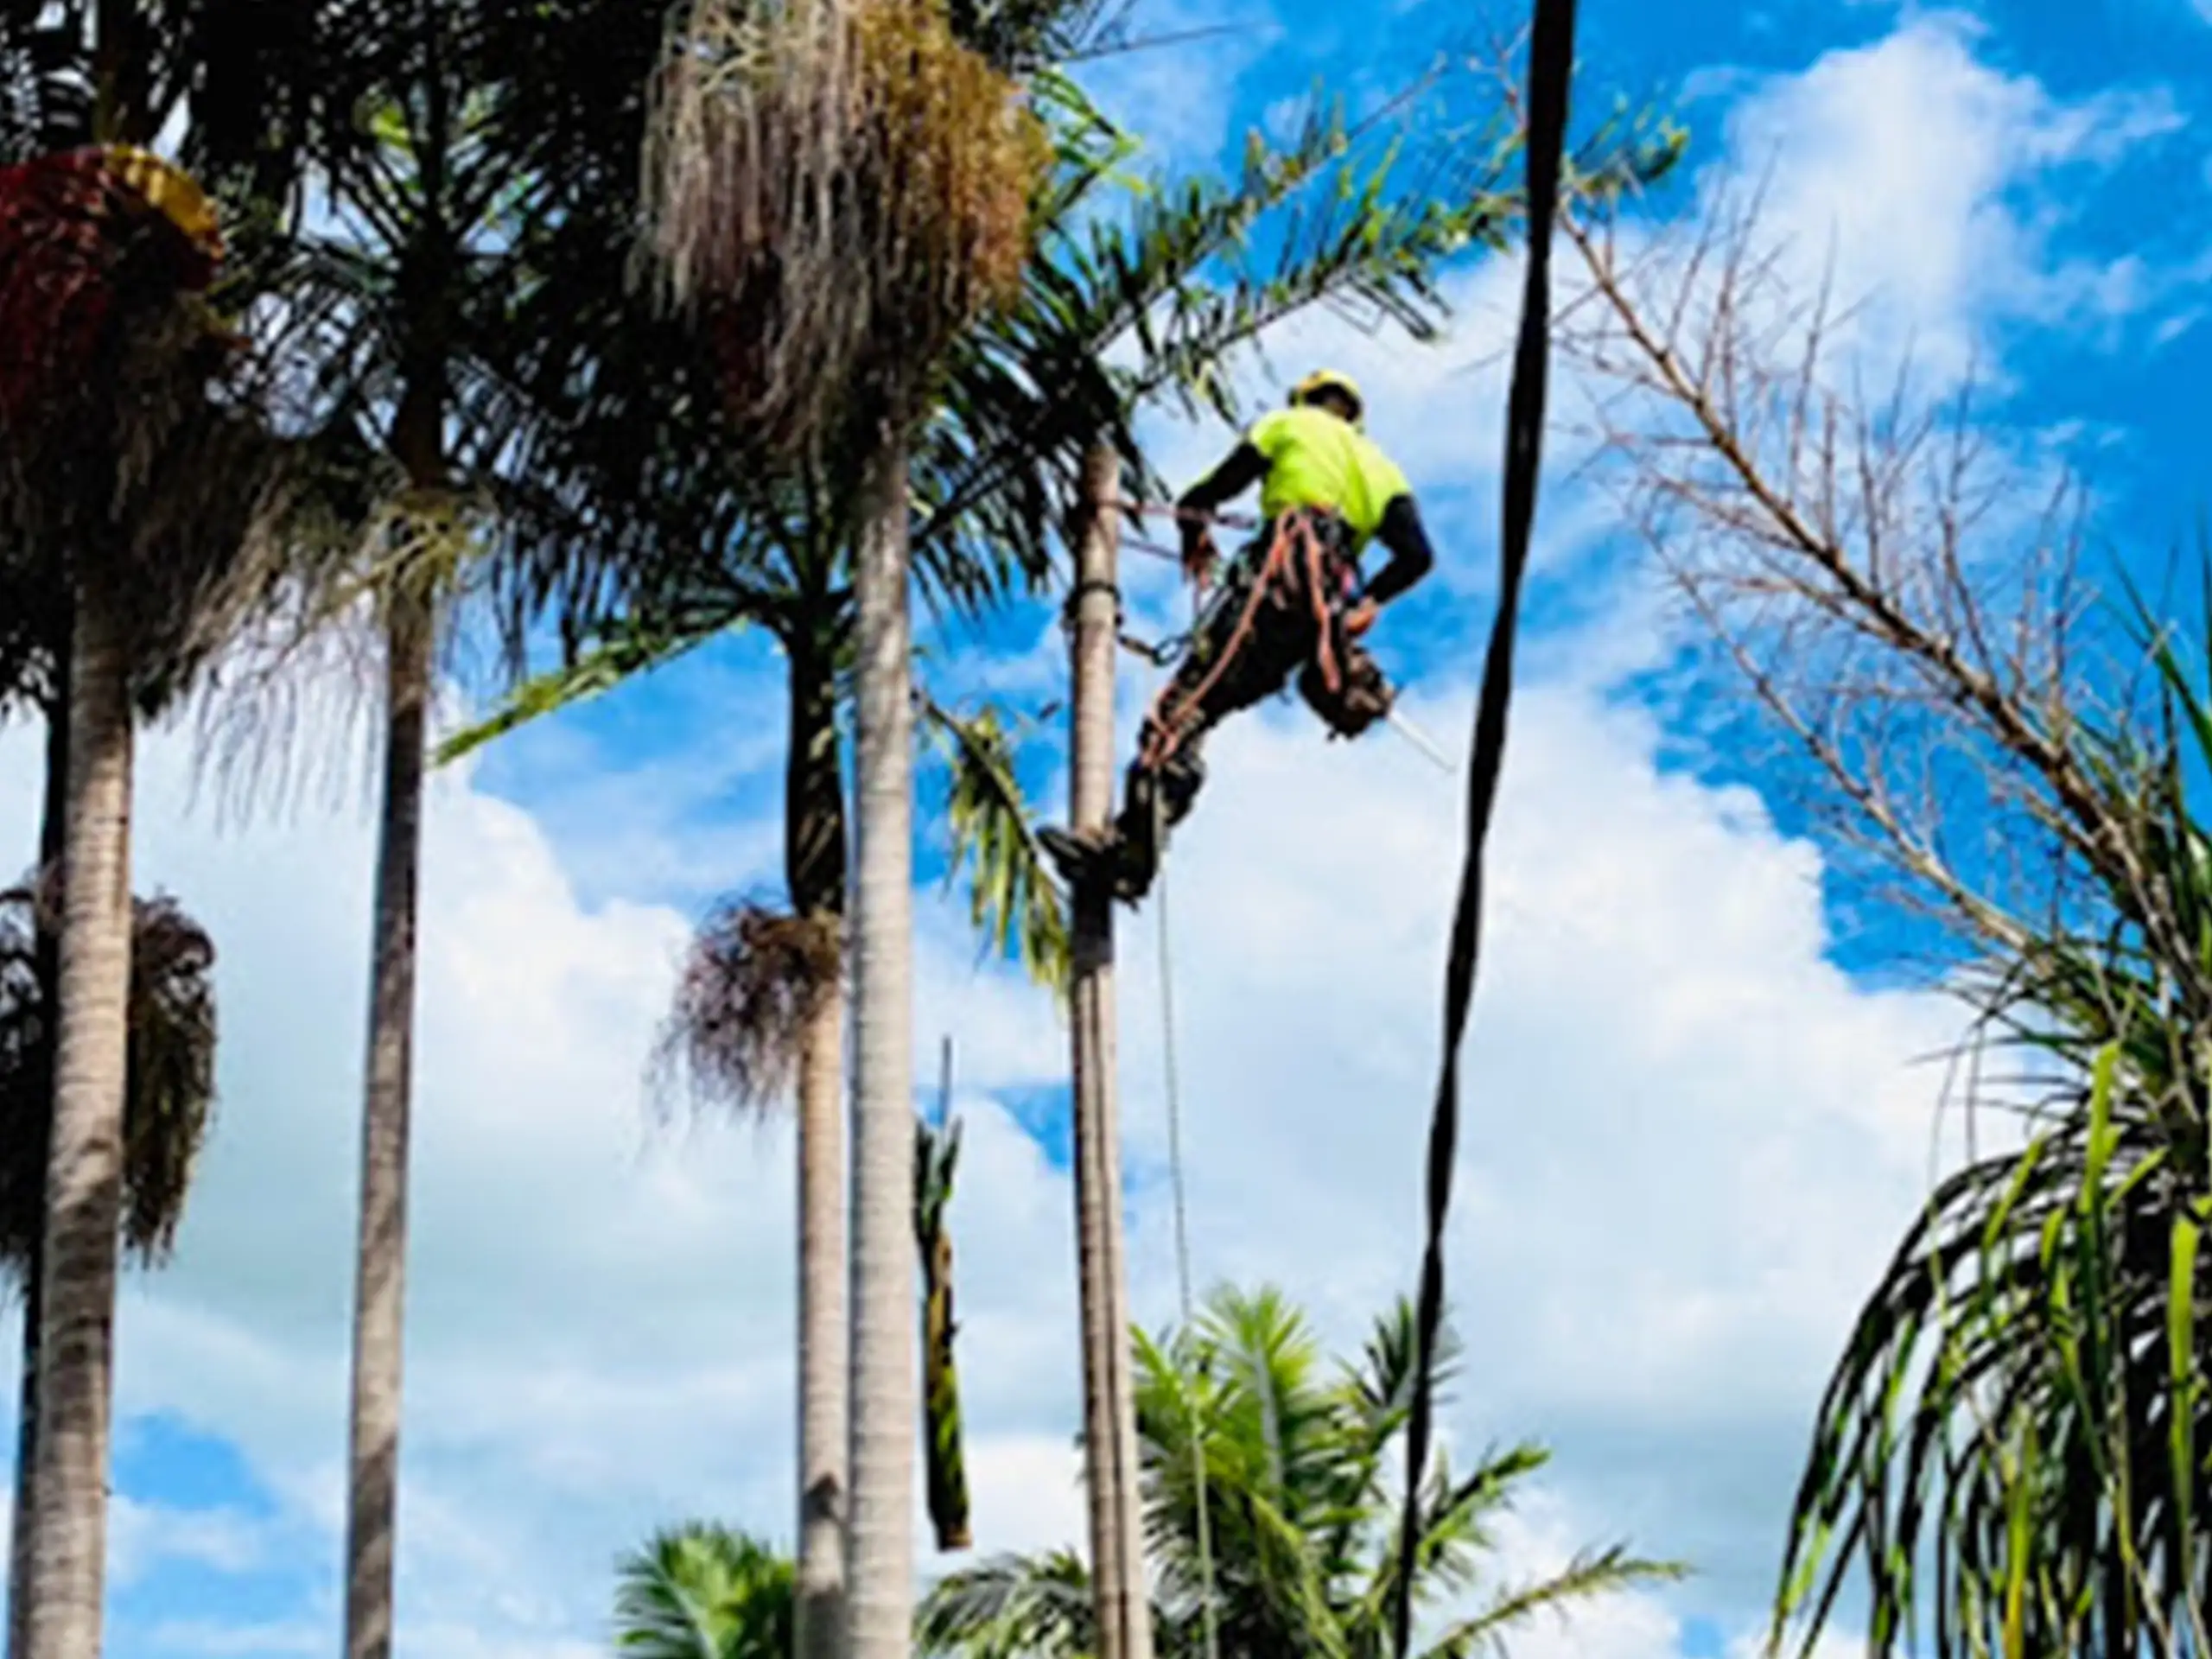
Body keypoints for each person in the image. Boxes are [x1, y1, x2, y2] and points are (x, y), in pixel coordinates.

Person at [1040, 368, 1437, 903]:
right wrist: (1367, 604)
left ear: (1307, 399)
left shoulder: (1288, 424)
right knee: (1207, 705)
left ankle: (1128, 854)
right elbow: (1417, 556)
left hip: (1274, 585)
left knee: (1184, 708)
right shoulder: (1380, 467)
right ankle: (1137, 839)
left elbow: (1205, 494)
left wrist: (1194, 531)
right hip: (1316, 618)